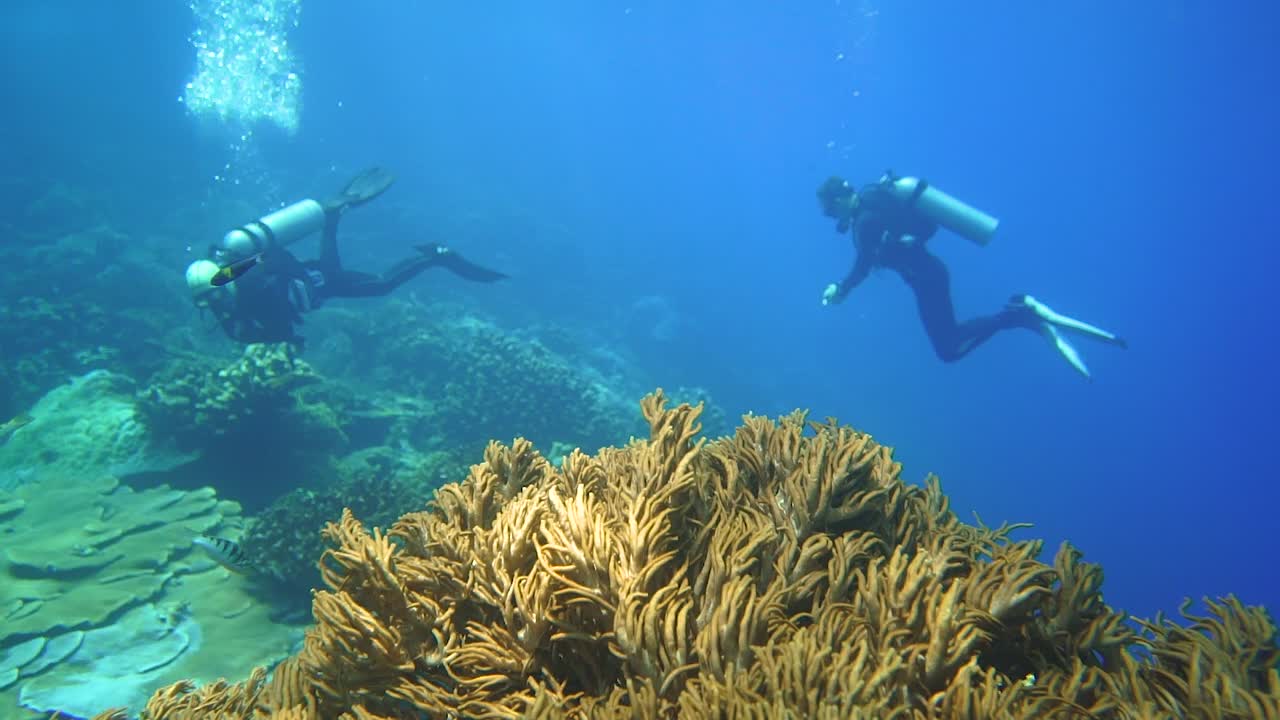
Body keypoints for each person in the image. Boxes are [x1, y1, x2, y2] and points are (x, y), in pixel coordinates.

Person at [816, 172, 1126, 380]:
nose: (832, 218)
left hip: (929, 280)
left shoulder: (866, 220)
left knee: (948, 347)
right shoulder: (873, 202)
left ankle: (1022, 312)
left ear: (841, 200)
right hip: (929, 277)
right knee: (948, 346)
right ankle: (1021, 315)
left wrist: (841, 287)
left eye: (830, 211)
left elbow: (863, 264)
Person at [185, 167, 507, 348]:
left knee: (380, 285)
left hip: (319, 281)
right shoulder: (230, 297)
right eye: (208, 303)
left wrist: (289, 296)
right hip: (314, 283)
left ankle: (433, 254)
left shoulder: (248, 279)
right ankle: (433, 254)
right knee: (378, 283)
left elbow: (274, 261)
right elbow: (258, 329)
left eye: (214, 298)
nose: (216, 306)